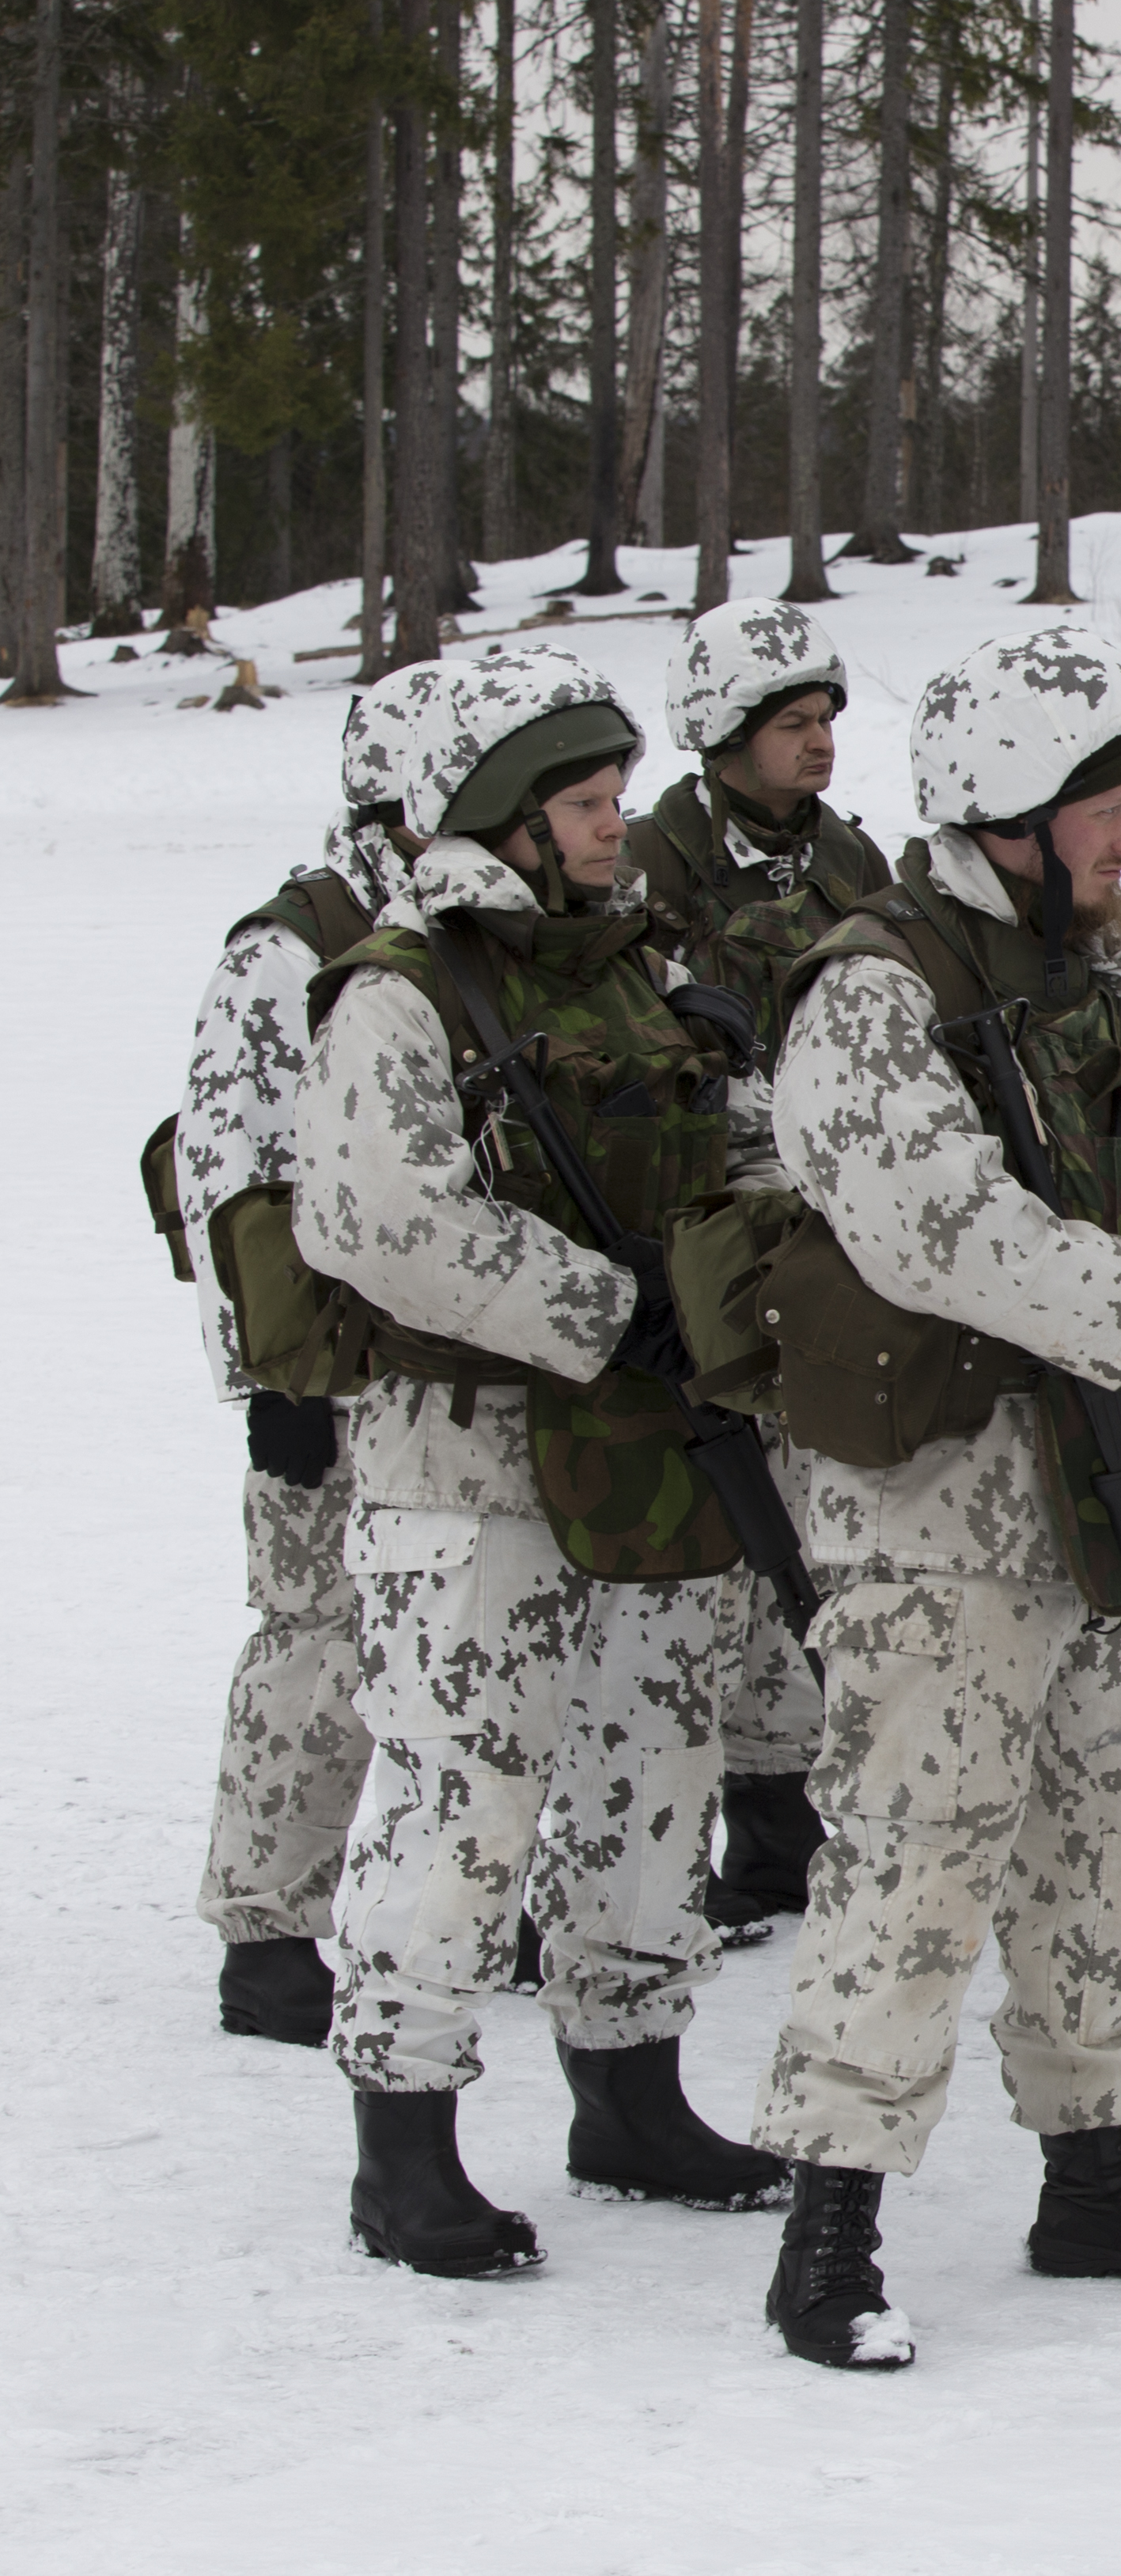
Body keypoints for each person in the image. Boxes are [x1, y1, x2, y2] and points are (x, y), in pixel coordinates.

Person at [748, 628, 1121, 2367]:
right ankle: (831, 2221)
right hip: (944, 1501)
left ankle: (1095, 2166)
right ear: (1011, 815)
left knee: (1116, 1831)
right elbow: (929, 1224)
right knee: (917, 1851)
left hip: (1118, 1475)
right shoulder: (874, 990)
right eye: (1111, 807)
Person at [299, 643, 791, 2272]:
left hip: (656, 1446)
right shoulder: (402, 989)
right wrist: (605, 1301)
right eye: (581, 803)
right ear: (497, 818)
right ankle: (405, 2136)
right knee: (463, 1791)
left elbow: (746, 1164)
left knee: (654, 1772)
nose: (611, 827)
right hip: (470, 1458)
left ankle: (629, 2091)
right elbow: (375, 1218)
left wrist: (730, 1253)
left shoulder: (643, 971)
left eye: (611, 797)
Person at [166, 660, 448, 2044]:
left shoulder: (455, 932)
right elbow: (228, 1177)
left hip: (438, 1362)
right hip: (321, 1368)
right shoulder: (288, 947)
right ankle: (269, 1924)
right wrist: (277, 1379)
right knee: (315, 1641)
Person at [639, 599, 896, 1938]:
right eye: (792, 724)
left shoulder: (856, 863)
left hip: (824, 1243)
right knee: (700, 1553)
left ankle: (779, 1815)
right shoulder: (647, 867)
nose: (819, 745)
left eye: (827, 721)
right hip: (688, 1235)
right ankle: (651, 1846)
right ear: (724, 734)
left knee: (809, 1525)